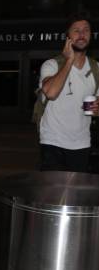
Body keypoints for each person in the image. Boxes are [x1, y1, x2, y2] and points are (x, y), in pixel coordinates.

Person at [38, 14, 99, 172]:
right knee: (54, 194)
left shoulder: (96, 68)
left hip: (82, 143)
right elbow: (51, 93)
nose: (81, 34)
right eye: (76, 30)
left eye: (86, 30)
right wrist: (69, 61)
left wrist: (96, 109)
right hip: (52, 141)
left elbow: (93, 106)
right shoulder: (51, 65)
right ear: (68, 37)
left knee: (76, 195)